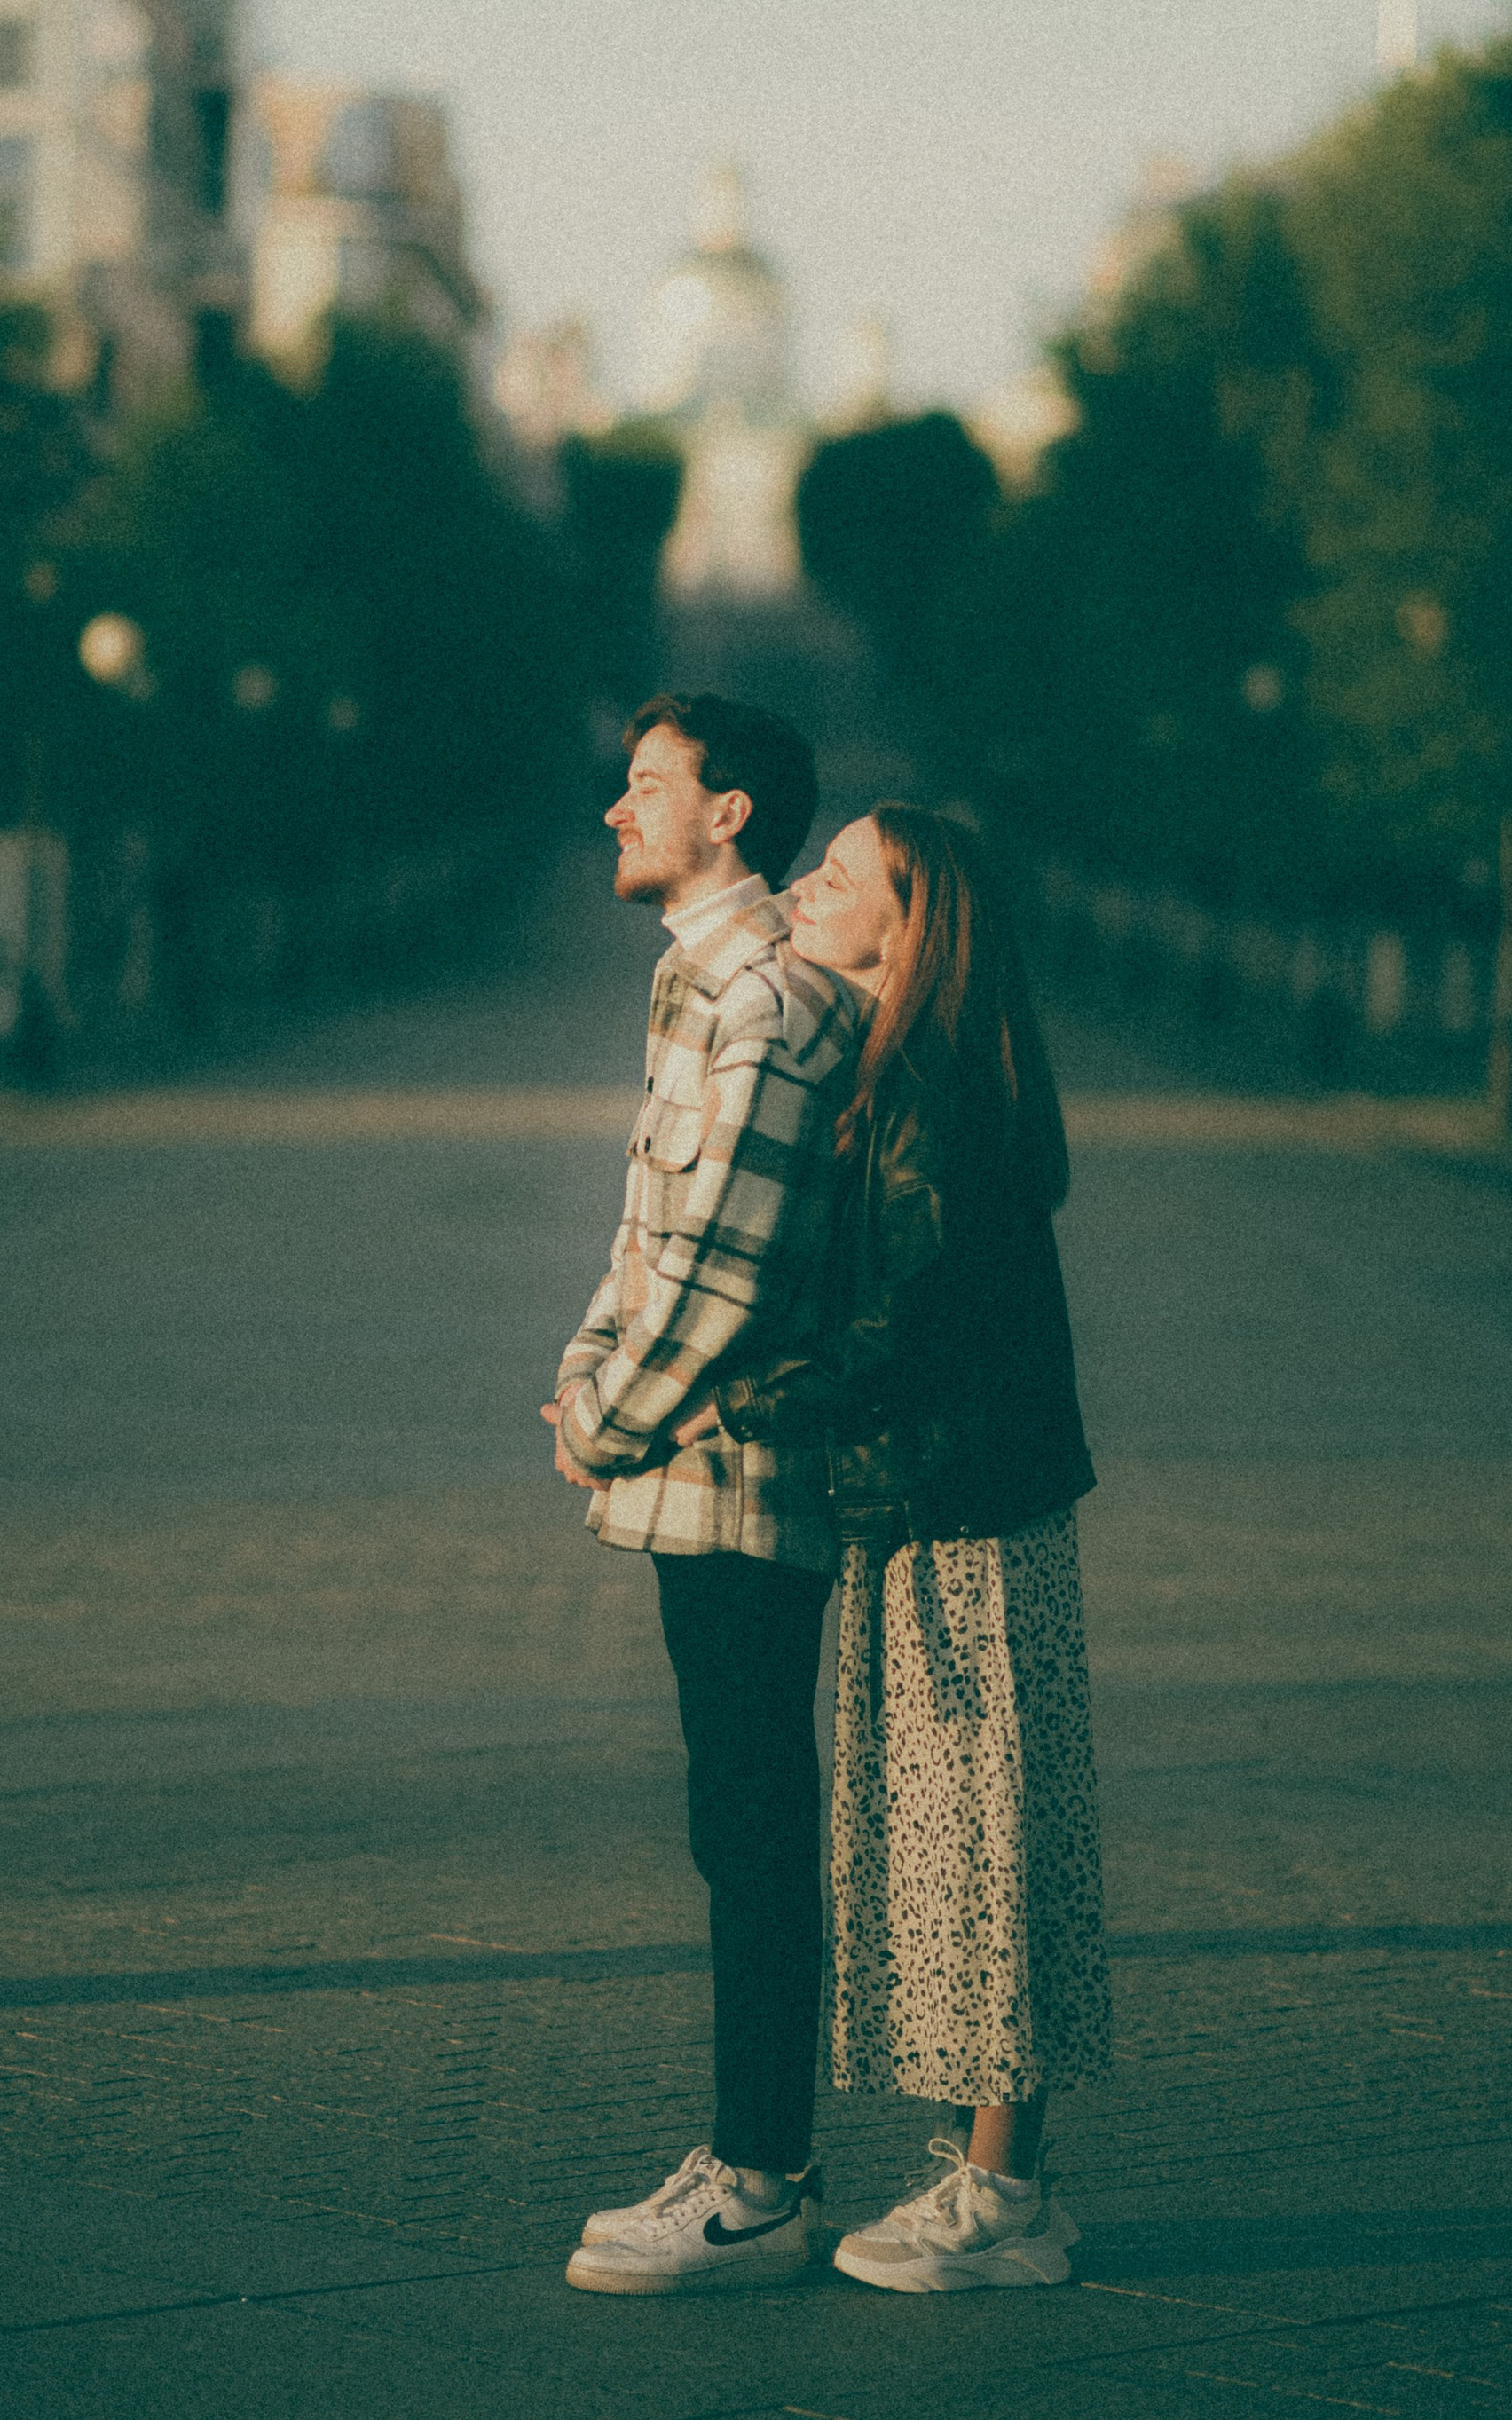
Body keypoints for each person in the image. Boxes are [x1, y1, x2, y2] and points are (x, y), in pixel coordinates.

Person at [707, 801, 1110, 2292]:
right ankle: (998, 2177)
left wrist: (723, 1400)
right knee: (958, 1855)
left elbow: (898, 1334)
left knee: (984, 1851)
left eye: (839, 877)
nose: (805, 886)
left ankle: (1001, 2200)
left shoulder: (929, 1095)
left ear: (912, 923)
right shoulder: (920, 1078)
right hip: (946, 1508)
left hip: (968, 1519)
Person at [545, 693, 862, 2298]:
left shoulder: (765, 996)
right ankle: (750, 2155)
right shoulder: (702, 981)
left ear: (730, 813)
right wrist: (593, 1372)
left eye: (648, 784)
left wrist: (604, 1414)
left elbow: (728, 1266)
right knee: (728, 1813)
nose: (619, 808)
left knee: (749, 1821)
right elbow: (648, 1234)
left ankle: (762, 2180)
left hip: (740, 1475)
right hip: (693, 1468)